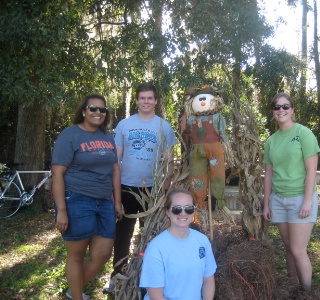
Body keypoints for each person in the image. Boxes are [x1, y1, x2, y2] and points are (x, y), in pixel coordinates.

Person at [103, 82, 177, 294]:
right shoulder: (124, 125)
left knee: (151, 237)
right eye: (142, 98)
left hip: (153, 190)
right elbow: (116, 160)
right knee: (122, 236)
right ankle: (116, 278)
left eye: (149, 98)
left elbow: (169, 161)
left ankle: (149, 280)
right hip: (126, 188)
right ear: (137, 101)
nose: (146, 101)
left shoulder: (164, 126)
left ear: (155, 101)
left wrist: (166, 187)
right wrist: (114, 191)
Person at [52, 94, 123, 300]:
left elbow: (115, 169)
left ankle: (73, 291)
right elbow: (57, 173)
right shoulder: (70, 135)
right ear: (83, 111)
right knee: (76, 256)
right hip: (77, 199)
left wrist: (117, 202)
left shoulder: (107, 136)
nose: (98, 113)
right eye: (93, 108)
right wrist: (62, 210)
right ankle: (76, 296)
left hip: (104, 202)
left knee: (102, 254)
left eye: (102, 110)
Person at [262, 92, 320, 292]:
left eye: (285, 106)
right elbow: (268, 175)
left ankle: (307, 292)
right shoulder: (271, 141)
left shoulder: (304, 134)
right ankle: (293, 286)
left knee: (298, 250)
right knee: (288, 248)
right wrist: (266, 203)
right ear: (273, 112)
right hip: (278, 200)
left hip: (300, 199)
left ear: (292, 110)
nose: (281, 110)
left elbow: (312, 170)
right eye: (277, 107)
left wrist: (307, 201)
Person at [139, 188, 217, 300]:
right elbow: (156, 296)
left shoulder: (202, 241)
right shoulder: (156, 248)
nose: (183, 213)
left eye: (189, 209)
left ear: (194, 211)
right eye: (177, 209)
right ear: (167, 211)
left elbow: (208, 279)